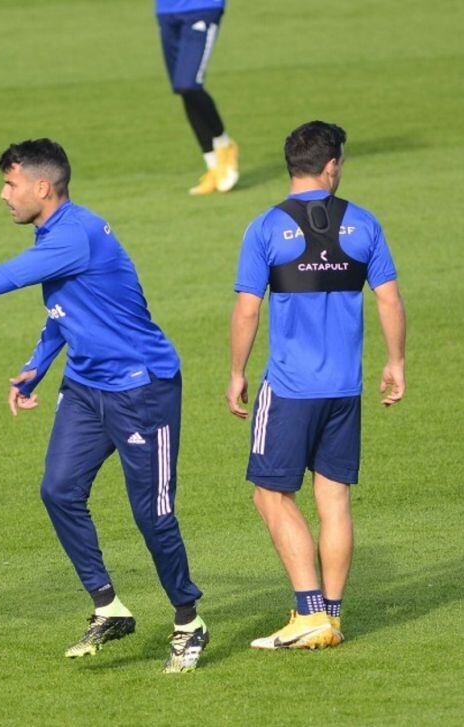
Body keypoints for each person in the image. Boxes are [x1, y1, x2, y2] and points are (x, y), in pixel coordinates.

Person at [0, 139, 207, 673]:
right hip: (86, 386)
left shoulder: (75, 234)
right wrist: (39, 364)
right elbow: (63, 307)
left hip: (142, 389)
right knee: (59, 490)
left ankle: (188, 622)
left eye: (11, 183)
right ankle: (108, 606)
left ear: (42, 187)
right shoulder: (56, 233)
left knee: (153, 514)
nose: (4, 195)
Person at [227, 120, 406, 649]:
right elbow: (389, 300)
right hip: (344, 389)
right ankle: (330, 617)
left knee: (270, 494)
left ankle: (308, 612)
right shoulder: (365, 223)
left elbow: (246, 310)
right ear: (331, 166)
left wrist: (236, 372)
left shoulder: (264, 228)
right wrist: (395, 361)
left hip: (288, 389)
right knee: (334, 499)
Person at [155, 0, 238, 195]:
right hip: (166, 10)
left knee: (188, 83)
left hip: (202, 8)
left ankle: (225, 145)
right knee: (183, 89)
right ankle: (213, 166)